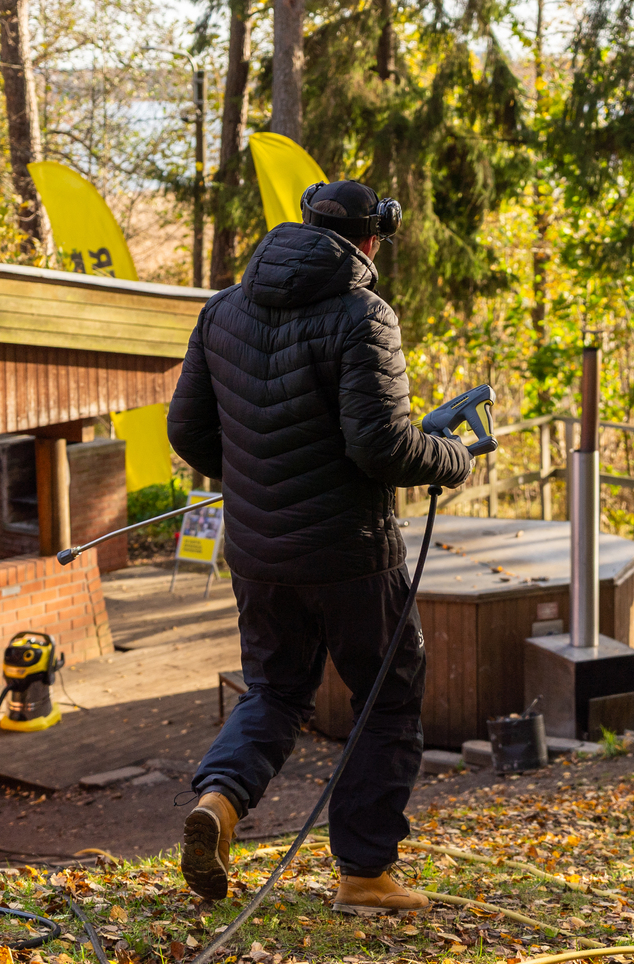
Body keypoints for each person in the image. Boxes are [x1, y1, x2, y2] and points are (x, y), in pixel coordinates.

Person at [167, 178, 472, 914]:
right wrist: (452, 458)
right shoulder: (364, 314)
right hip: (350, 555)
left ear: (306, 222)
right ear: (372, 238)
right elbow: (380, 446)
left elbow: (187, 430)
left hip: (258, 553)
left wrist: (259, 482)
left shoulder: (222, 309)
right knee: (387, 699)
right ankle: (364, 874)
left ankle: (219, 801)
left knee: (274, 691)